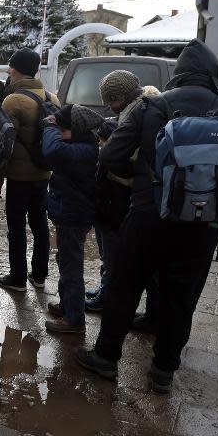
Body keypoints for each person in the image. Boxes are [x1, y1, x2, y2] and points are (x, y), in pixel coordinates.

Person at [77, 40, 218, 393]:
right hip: (203, 223)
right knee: (182, 297)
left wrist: (146, 177)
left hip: (148, 214)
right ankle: (164, 370)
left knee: (125, 286)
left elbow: (111, 156)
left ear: (178, 75)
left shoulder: (152, 106)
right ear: (216, 77)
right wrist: (214, 183)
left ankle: (106, 358)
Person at [94, 72, 161, 323]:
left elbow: (117, 156)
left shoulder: (137, 113)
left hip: (131, 195)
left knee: (124, 258)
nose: (108, 107)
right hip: (144, 194)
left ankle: (113, 304)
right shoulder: (148, 105)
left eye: (110, 101)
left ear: (119, 97)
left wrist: (121, 175)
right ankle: (151, 313)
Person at [0, 48, 58, 292]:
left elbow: (4, 145)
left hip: (19, 177)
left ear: (17, 70)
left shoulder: (13, 101)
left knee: (16, 227)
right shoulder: (52, 98)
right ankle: (39, 275)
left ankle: (17, 278)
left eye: (10, 67)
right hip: (44, 174)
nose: (8, 71)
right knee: (40, 224)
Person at [41, 104, 103, 333]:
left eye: (62, 130)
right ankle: (67, 305)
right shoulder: (82, 144)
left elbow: (52, 152)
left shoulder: (84, 150)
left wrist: (49, 127)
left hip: (74, 215)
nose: (59, 135)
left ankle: (75, 321)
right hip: (70, 212)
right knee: (65, 261)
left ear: (74, 130)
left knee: (71, 268)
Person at [88, 117, 124, 313]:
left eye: (102, 140)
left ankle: (106, 297)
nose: (99, 144)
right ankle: (103, 289)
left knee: (110, 261)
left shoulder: (115, 159)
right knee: (105, 257)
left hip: (111, 218)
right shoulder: (104, 157)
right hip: (102, 216)